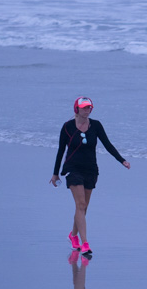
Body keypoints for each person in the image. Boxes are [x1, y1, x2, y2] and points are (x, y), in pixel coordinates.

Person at [50, 96, 130, 255]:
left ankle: (73, 235)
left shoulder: (96, 125)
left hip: (91, 170)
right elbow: (60, 151)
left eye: (89, 107)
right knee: (80, 204)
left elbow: (107, 144)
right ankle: (85, 243)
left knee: (83, 207)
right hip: (73, 169)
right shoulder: (67, 127)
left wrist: (122, 160)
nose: (87, 110)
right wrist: (55, 174)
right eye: (84, 107)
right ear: (76, 109)